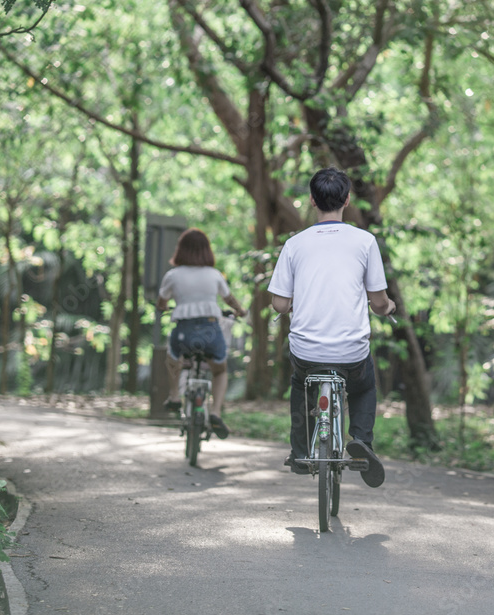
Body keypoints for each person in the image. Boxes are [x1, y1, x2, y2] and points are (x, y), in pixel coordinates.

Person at [267, 167, 396, 487]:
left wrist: (298, 301)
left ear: (312, 200)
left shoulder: (295, 244)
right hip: (351, 352)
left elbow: (280, 305)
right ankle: (362, 441)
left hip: (306, 351)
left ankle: (299, 451)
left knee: (300, 383)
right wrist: (388, 307)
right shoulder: (365, 242)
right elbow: (378, 303)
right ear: (347, 200)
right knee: (365, 384)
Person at [157, 228, 247, 438]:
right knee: (220, 370)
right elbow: (229, 299)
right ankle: (215, 412)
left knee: (172, 358)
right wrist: (240, 311)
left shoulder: (173, 275)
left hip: (184, 333)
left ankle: (174, 396)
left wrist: (164, 307)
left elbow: (161, 302)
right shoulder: (214, 275)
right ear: (206, 251)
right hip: (210, 332)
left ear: (181, 250)